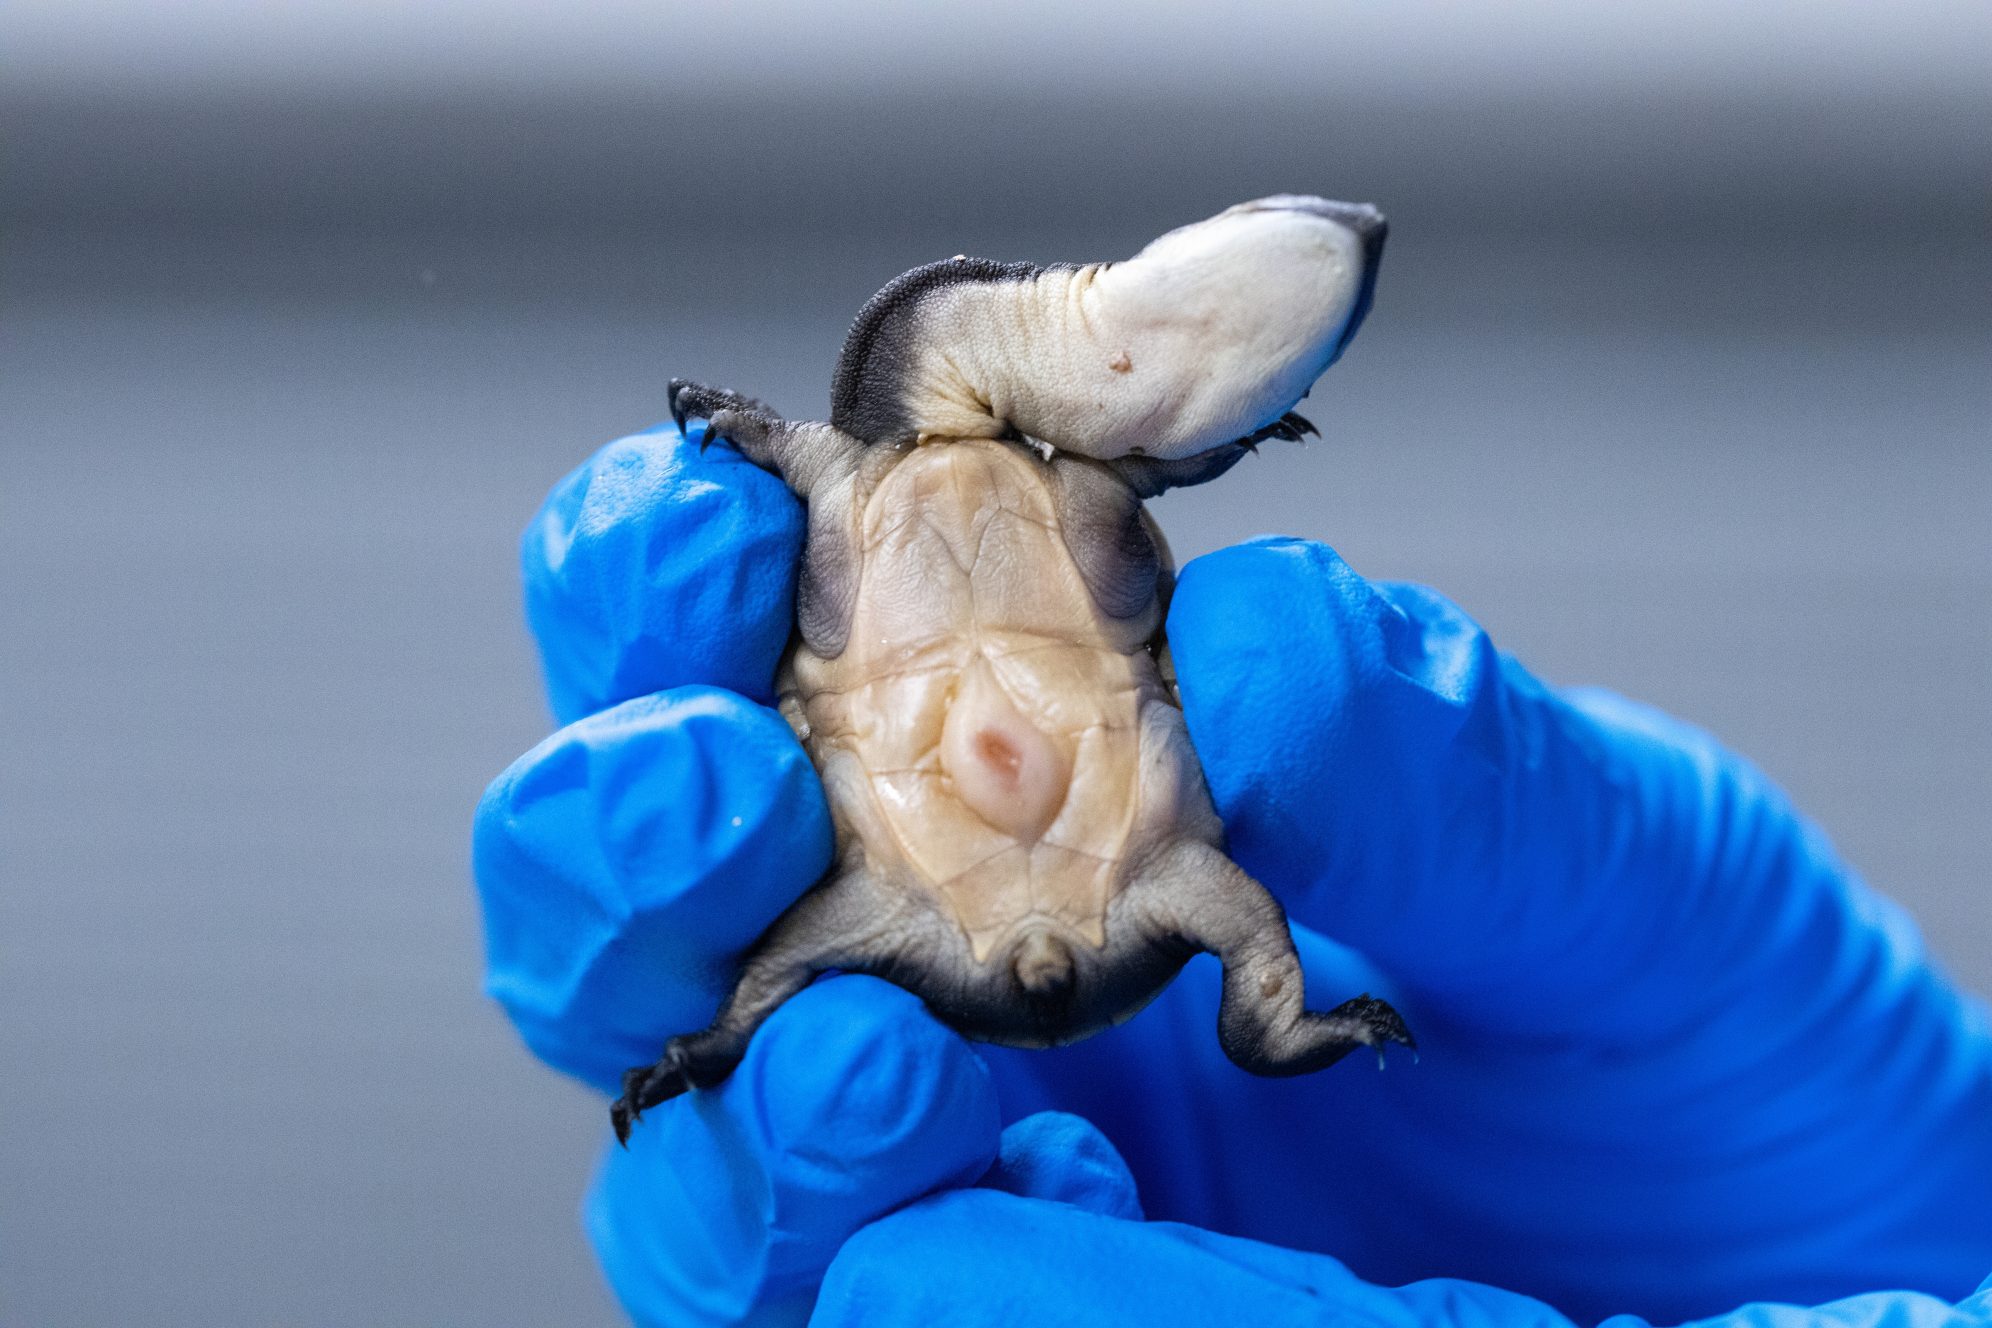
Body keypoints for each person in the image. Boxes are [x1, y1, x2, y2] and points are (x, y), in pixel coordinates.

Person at [473, 421, 1992, 1327]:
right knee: (759, 936)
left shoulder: (1066, 837)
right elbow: (1227, 927)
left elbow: (809, 955)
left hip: (923, 785)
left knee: (788, 988)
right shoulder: (1134, 861)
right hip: (966, 798)